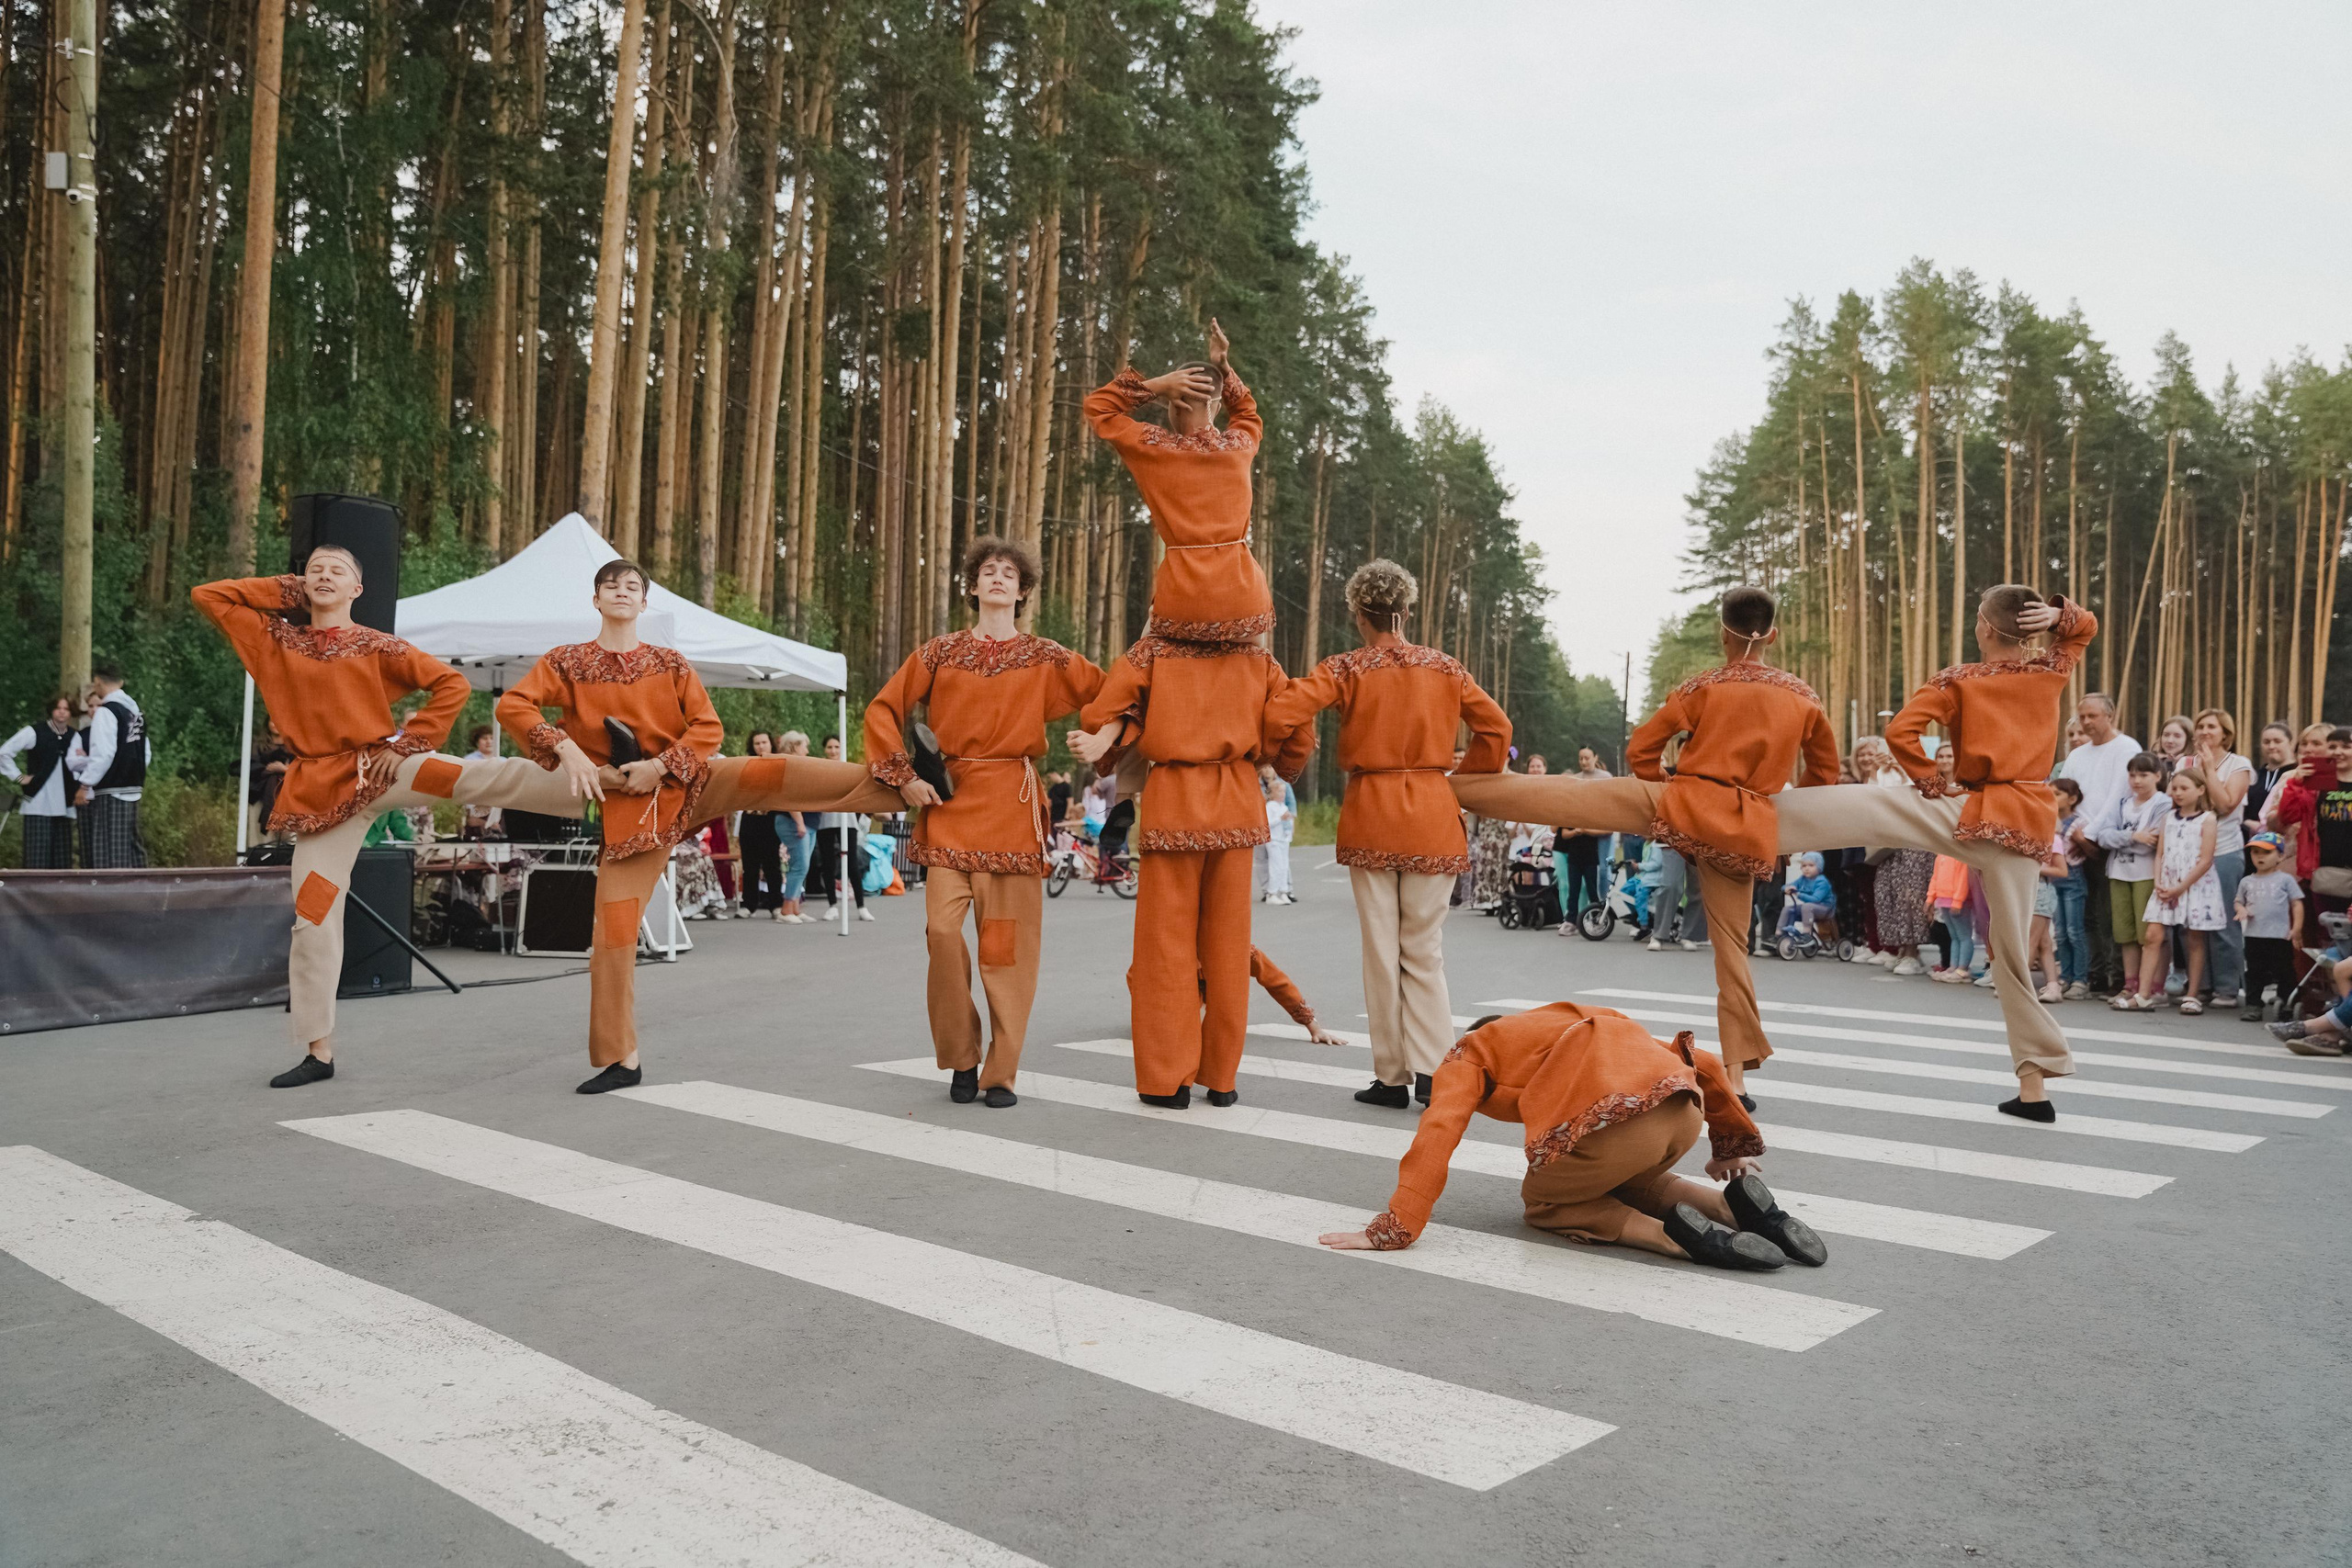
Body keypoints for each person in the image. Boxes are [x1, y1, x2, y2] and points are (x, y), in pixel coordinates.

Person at [498, 558, 897, 1092]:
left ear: (645, 604)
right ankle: (622, 1058)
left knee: (776, 772)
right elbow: (513, 704)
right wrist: (566, 747)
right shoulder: (566, 662)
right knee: (612, 933)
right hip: (630, 809)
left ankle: (902, 785)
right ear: (595, 600)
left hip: (688, 778)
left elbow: (708, 726)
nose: (621, 592)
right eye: (610, 586)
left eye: (632, 586)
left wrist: (660, 765)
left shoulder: (669, 661)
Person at [194, 549, 587, 1088]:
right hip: (319, 796)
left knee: (478, 776)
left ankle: (598, 787)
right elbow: (209, 595)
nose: (324, 575)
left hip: (382, 769)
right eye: (315, 568)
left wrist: (413, 742)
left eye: (338, 571)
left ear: (359, 589)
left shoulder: (379, 645)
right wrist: (287, 592)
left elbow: (451, 684)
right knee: (312, 921)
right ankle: (318, 1050)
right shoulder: (274, 641)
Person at [865, 536, 1106, 1108]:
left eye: (1009, 573)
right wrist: (902, 776)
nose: (997, 578)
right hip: (948, 805)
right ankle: (962, 1057)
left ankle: (1001, 1071)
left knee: (1003, 949)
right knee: (944, 935)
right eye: (987, 571)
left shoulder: (1048, 656)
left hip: (1012, 807)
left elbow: (1110, 693)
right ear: (973, 586)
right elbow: (883, 708)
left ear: (1022, 591)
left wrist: (1098, 738)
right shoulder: (939, 652)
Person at [1262, 561, 1511, 1106]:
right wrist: (1463, 779)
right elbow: (1497, 728)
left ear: (1359, 613)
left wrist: (1289, 754)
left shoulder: (1345, 668)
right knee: (1425, 952)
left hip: (1372, 810)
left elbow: (1281, 710)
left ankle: (1391, 1078)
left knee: (1381, 951)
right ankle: (1432, 1071)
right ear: (1406, 610)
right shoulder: (1447, 668)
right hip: (1432, 809)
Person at [1316, 1004, 1825, 1270]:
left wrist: (1396, 1227)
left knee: (1544, 1201)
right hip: (1682, 1109)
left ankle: (1680, 1239)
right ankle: (1734, 1210)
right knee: (1621, 1178)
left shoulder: (1469, 1053)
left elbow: (1438, 1131)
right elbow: (1705, 1061)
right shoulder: (1569, 1020)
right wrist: (1727, 1144)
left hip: (1613, 1126)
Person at [1072, 633, 1311, 1110]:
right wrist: (1269, 758)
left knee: (1167, 945)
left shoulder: (1154, 651)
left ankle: (1168, 1081)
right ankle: (1221, 1079)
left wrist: (1106, 736)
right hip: (1237, 799)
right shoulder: (1258, 658)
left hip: (1174, 799)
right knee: (1226, 943)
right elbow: (1296, 725)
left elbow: (1107, 708)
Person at [1081, 318, 1269, 643]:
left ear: (1177, 403)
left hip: (1184, 602)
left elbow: (1098, 408)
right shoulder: (1238, 446)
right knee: (1264, 680)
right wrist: (1223, 366)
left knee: (1140, 679)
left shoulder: (1157, 448)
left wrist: (1157, 385)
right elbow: (1247, 414)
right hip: (1245, 605)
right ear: (1214, 404)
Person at [2058, 692, 2143, 995]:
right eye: (2082, 716)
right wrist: (2070, 832)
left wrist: (2088, 834)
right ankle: (2091, 972)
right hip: (2073, 842)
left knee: (2110, 913)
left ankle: (2115, 974)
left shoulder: (2126, 748)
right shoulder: (2078, 754)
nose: (2086, 722)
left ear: (2110, 715)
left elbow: (2117, 797)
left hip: (2107, 842)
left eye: (2092, 716)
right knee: (2084, 914)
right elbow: (2062, 793)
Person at [2143, 766, 2224, 1014]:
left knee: (2194, 938)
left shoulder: (2208, 819)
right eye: (2174, 788)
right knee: (2153, 935)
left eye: (2184, 788)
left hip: (2193, 884)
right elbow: (2160, 854)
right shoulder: (2167, 818)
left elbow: (2205, 860)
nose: (2177, 793)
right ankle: (2143, 994)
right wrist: (2159, 881)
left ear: (2200, 790)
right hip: (2167, 882)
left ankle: (2192, 994)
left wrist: (2181, 888)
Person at [2187, 709, 2252, 1007]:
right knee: (2192, 922)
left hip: (2224, 850)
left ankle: (2226, 988)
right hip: (2188, 851)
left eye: (2211, 726)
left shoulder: (2239, 764)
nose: (2204, 731)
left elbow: (2226, 804)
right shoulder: (2184, 763)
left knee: (2223, 919)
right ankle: (2200, 984)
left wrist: (2210, 769)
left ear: (2226, 733)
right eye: (2200, 726)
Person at [2096, 752, 2170, 1010]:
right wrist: (2132, 836)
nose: (2136, 780)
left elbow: (2152, 840)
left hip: (2147, 874)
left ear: (2158, 776)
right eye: (2132, 774)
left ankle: (2154, 986)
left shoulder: (2163, 803)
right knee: (2125, 933)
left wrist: (2126, 838)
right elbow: (2103, 836)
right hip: (2118, 872)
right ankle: (2130, 983)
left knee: (2147, 934)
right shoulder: (2122, 803)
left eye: (2143, 774)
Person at [70, 661, 148, 868]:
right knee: (132, 846)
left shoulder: (107, 712)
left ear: (97, 682)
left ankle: (113, 897)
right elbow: (144, 751)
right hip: (133, 786)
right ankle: (142, 892)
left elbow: (103, 754)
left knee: (109, 850)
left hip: (112, 788)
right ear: (121, 682)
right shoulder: (135, 713)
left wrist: (85, 784)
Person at [4, 694, 83, 868]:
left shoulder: (75, 737)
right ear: (51, 710)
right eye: (58, 708)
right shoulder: (35, 732)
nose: (62, 713)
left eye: (66, 709)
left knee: (62, 861)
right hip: (38, 802)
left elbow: (81, 765)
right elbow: (4, 753)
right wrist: (18, 777)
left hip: (65, 804)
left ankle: (60, 896)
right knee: (36, 859)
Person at [805, 735, 874, 919]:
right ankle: (832, 906)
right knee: (827, 863)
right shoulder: (820, 770)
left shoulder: (849, 769)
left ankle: (861, 907)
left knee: (852, 863)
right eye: (830, 747)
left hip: (847, 821)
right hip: (826, 821)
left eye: (836, 746)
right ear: (825, 750)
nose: (833, 750)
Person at [2235, 832, 2301, 1021]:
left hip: (2279, 935)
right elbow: (2238, 901)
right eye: (2255, 852)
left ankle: (2287, 1002)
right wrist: (2241, 910)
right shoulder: (2247, 881)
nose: (2260, 856)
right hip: (2254, 935)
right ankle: (2253, 1004)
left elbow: (2296, 903)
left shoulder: (2285, 880)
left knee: (2284, 970)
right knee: (2255, 971)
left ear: (2280, 856)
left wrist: (2296, 928)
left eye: (2266, 852)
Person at [736, 732, 788, 919]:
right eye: (757, 743)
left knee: (771, 863)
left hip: (770, 818)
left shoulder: (778, 764)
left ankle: (776, 904)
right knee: (750, 865)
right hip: (749, 817)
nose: (760, 746)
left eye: (764, 742)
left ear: (771, 744)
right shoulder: (746, 764)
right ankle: (749, 904)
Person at [2049, 776, 2091, 998]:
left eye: (2057, 794)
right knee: (2061, 933)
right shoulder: (2048, 819)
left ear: (2072, 799)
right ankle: (2065, 976)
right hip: (2054, 880)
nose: (2051, 798)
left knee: (2075, 931)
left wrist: (2082, 841)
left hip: (2073, 879)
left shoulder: (2078, 823)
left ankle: (2080, 980)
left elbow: (2090, 851)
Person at [775, 730, 816, 922]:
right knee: (800, 865)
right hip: (794, 821)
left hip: (808, 822)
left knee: (802, 866)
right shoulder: (789, 766)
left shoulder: (799, 765)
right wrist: (799, 822)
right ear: (793, 747)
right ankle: (786, 910)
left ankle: (795, 908)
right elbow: (790, 796)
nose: (807, 751)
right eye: (803, 746)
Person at [2245, 722, 2295, 828]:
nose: (2271, 746)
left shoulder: (2296, 774)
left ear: (2290, 743)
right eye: (2266, 742)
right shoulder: (2254, 776)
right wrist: (2247, 822)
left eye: (2277, 741)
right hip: (2252, 837)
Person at [1777, 852, 1834, 943]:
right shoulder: (1802, 879)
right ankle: (1779, 934)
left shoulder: (1822, 881)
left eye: (1811, 865)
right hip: (1809, 909)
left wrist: (1799, 894)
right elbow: (1790, 885)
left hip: (1825, 909)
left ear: (1819, 867)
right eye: (1804, 866)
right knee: (1788, 909)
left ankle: (1806, 934)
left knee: (1807, 907)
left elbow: (1816, 899)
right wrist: (1786, 889)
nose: (1807, 868)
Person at [1261, 771, 1295, 905]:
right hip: (1274, 840)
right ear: (1273, 793)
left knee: (1284, 866)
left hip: (1283, 840)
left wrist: (1289, 828)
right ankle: (1272, 893)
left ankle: (1283, 891)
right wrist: (1280, 819)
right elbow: (1268, 823)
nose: (1283, 794)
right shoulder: (1270, 807)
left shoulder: (1284, 806)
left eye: (1284, 792)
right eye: (1280, 792)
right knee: (1275, 866)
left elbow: (1288, 822)